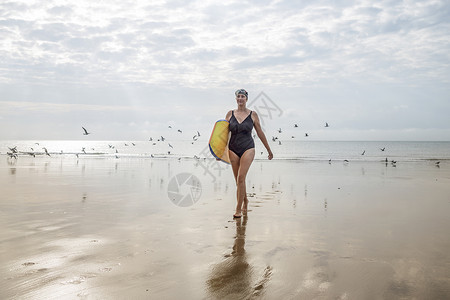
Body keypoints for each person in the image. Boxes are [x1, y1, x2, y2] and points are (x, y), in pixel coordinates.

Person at [225, 89, 273, 218]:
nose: (240, 98)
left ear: (246, 99)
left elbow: (260, 133)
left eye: (243, 96)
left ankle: (238, 208)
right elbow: (223, 134)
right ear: (236, 99)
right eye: (238, 96)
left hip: (248, 148)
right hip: (233, 148)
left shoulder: (253, 114)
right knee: (238, 181)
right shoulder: (230, 114)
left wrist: (268, 149)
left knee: (241, 178)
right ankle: (245, 200)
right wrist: (220, 152)